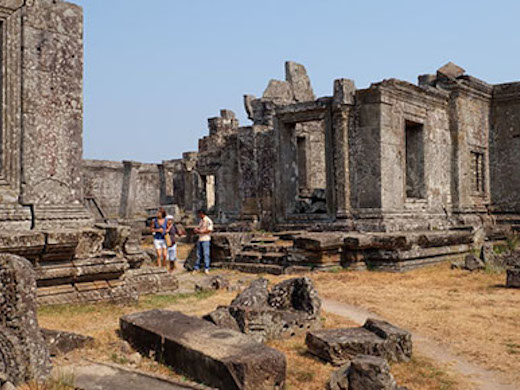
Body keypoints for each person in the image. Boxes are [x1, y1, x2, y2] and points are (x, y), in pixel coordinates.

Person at [193, 208, 213, 274]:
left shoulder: (208, 221)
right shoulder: (201, 221)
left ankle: (206, 268)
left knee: (206, 254)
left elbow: (209, 230)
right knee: (198, 254)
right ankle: (197, 267)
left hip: (206, 239)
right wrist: (197, 229)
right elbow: (199, 227)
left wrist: (201, 231)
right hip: (200, 239)